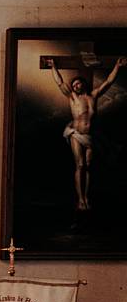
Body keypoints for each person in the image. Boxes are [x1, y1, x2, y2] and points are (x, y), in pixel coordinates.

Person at [49, 56, 123, 211]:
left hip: (91, 136)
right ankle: (80, 199)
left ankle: (86, 197)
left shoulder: (93, 96)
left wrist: (117, 65)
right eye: (74, 84)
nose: (76, 86)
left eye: (78, 83)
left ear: (83, 84)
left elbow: (108, 82)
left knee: (88, 166)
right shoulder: (73, 97)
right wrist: (53, 67)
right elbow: (60, 82)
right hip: (76, 133)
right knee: (80, 165)